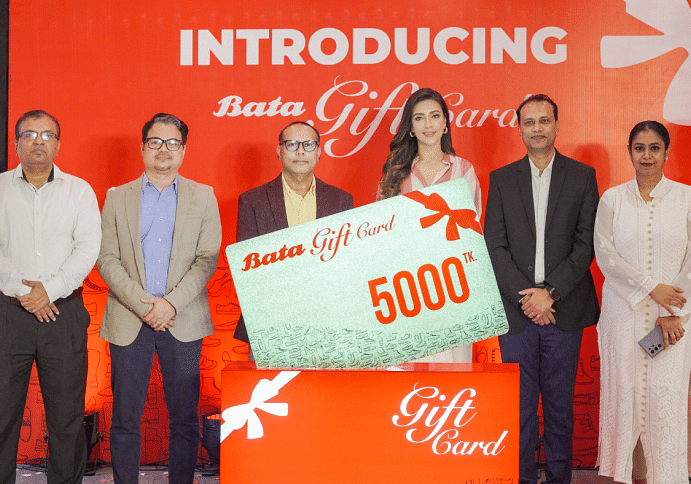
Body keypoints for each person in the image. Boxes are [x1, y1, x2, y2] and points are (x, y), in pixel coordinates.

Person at [0, 110, 101, 484]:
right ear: (16, 143)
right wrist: (28, 292)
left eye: (47, 135)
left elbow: (87, 248)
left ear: (58, 144)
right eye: (29, 134)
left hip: (63, 314)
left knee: (67, 417)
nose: (38, 141)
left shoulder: (79, 191)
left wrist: (50, 291)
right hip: (5, 314)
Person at [97, 113, 221, 484]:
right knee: (125, 418)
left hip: (183, 319)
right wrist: (145, 305)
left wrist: (170, 304)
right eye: (155, 141)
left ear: (183, 150)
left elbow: (207, 258)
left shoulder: (204, 195)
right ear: (142, 147)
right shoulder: (117, 197)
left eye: (172, 143)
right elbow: (107, 259)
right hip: (129, 319)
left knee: (184, 417)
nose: (163, 149)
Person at [484, 94, 600, 484]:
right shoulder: (501, 179)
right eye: (529, 122)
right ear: (519, 129)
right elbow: (494, 245)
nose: (537, 128)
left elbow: (586, 244)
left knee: (559, 408)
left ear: (557, 125)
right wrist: (529, 296)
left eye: (544, 120)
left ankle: (559, 478)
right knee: (519, 409)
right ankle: (521, 478)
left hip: (563, 309)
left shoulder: (582, 176)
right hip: (517, 311)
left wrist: (550, 293)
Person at [594, 121, 691, 484]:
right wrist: (650, 288)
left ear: (667, 153)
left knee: (664, 399)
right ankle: (626, 476)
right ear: (629, 152)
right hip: (623, 316)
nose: (647, 155)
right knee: (626, 395)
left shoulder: (688, 198)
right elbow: (605, 256)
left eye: (654, 148)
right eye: (639, 148)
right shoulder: (613, 199)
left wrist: (671, 311)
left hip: (673, 323)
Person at [377, 87, 482, 364]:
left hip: (454, 286)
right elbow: (384, 234)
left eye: (435, 116)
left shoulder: (463, 170)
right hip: (407, 289)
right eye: (419, 118)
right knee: (411, 370)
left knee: (454, 370)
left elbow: (470, 230)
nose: (428, 125)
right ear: (410, 128)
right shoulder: (395, 174)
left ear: (445, 123)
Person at [232, 121, 354, 348]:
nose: (300, 151)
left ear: (318, 152)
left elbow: (345, 266)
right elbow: (247, 270)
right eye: (292, 144)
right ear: (279, 151)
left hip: (327, 324)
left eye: (308, 145)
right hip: (269, 324)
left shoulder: (341, 201)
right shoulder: (252, 201)